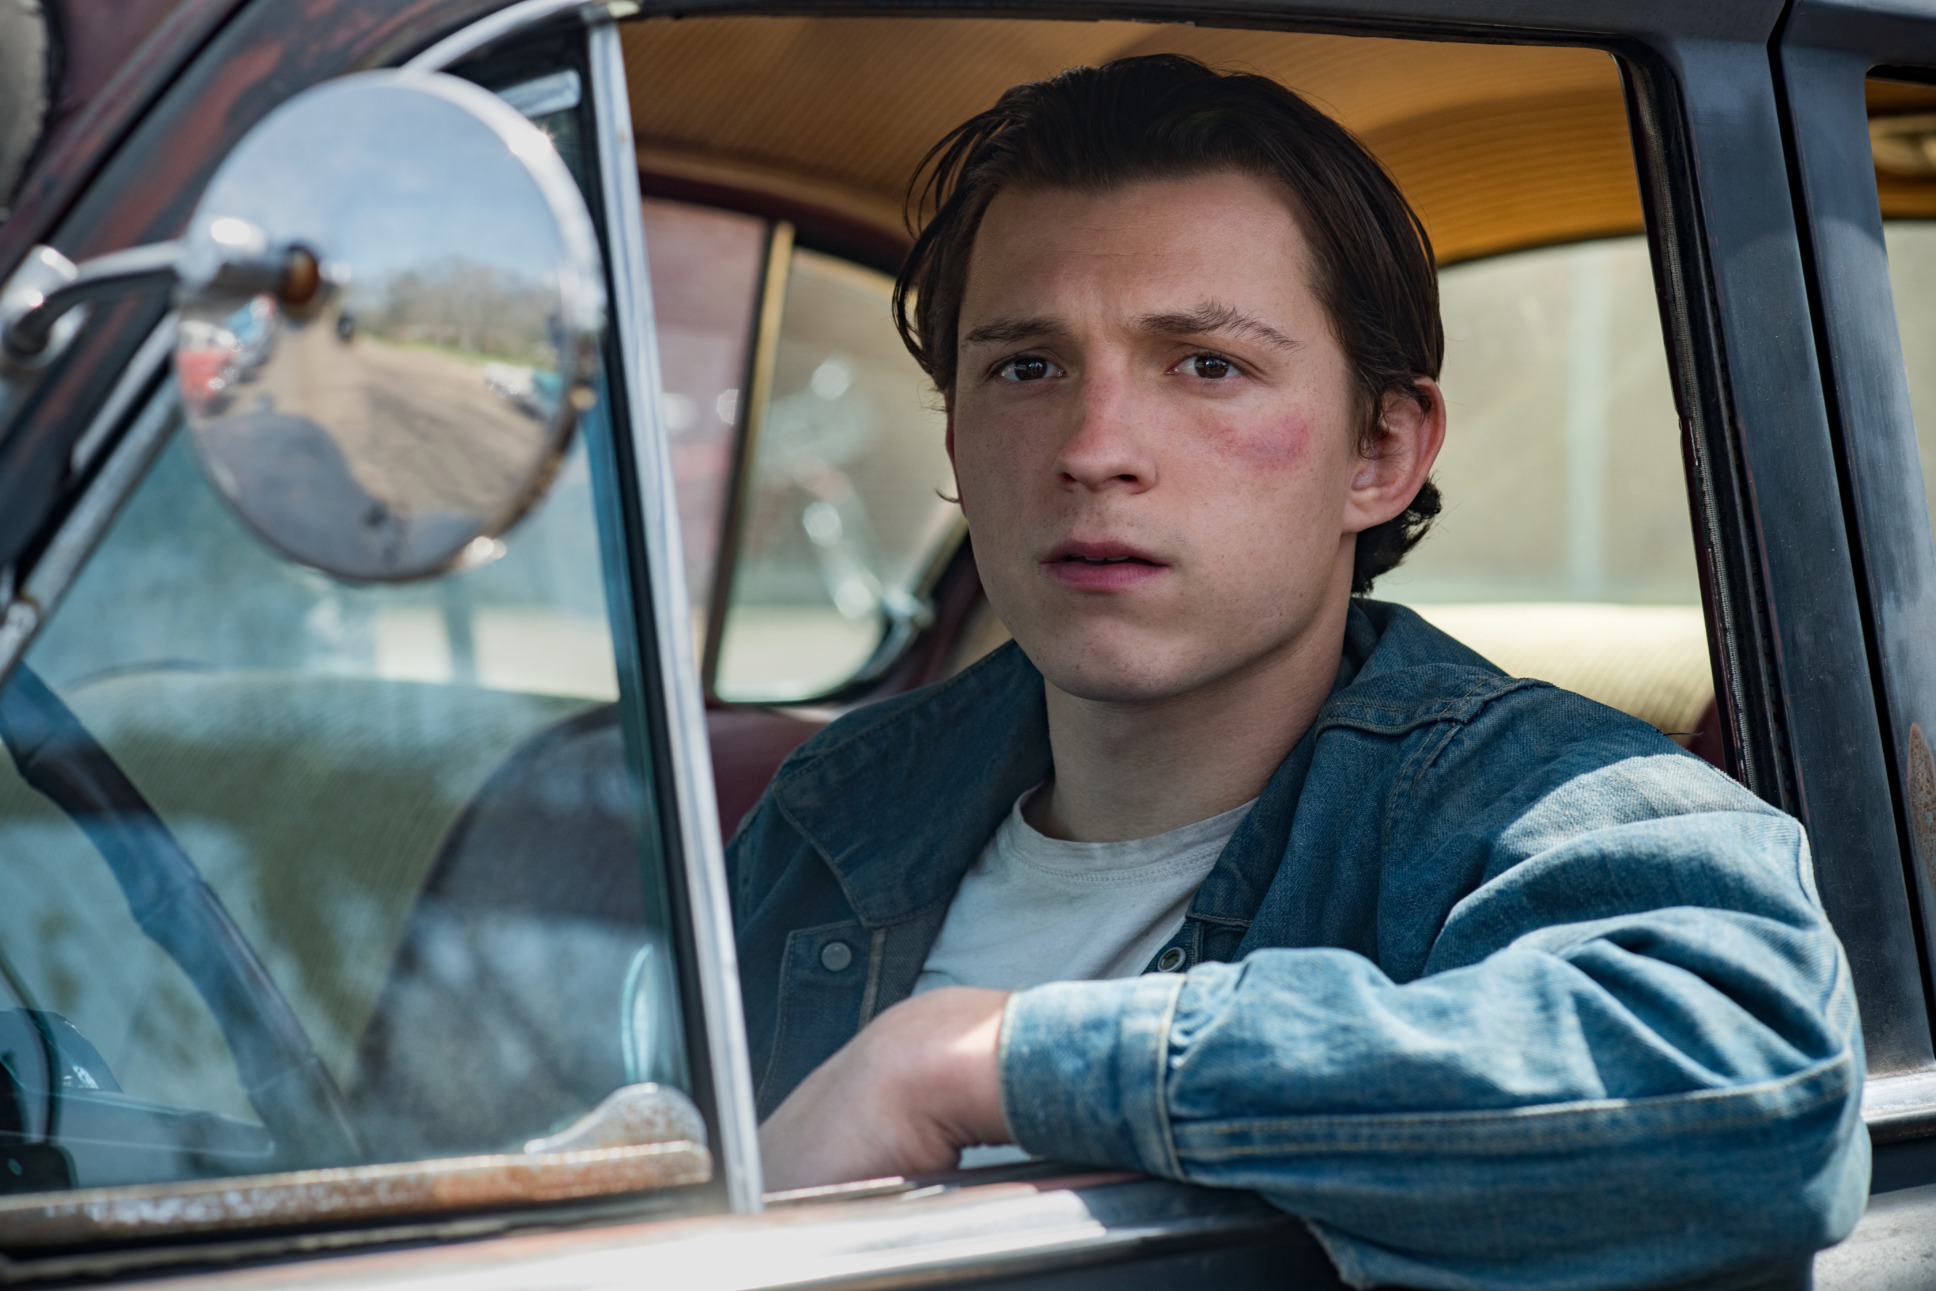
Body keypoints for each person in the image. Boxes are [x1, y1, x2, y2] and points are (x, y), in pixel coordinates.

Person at [729, 54, 1866, 1288]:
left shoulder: (1534, 805)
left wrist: (974, 1063)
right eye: (1026, 367)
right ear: (954, 431)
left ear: (1378, 450)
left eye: (1205, 364)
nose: (1094, 449)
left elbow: (1751, 1084)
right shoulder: (834, 804)